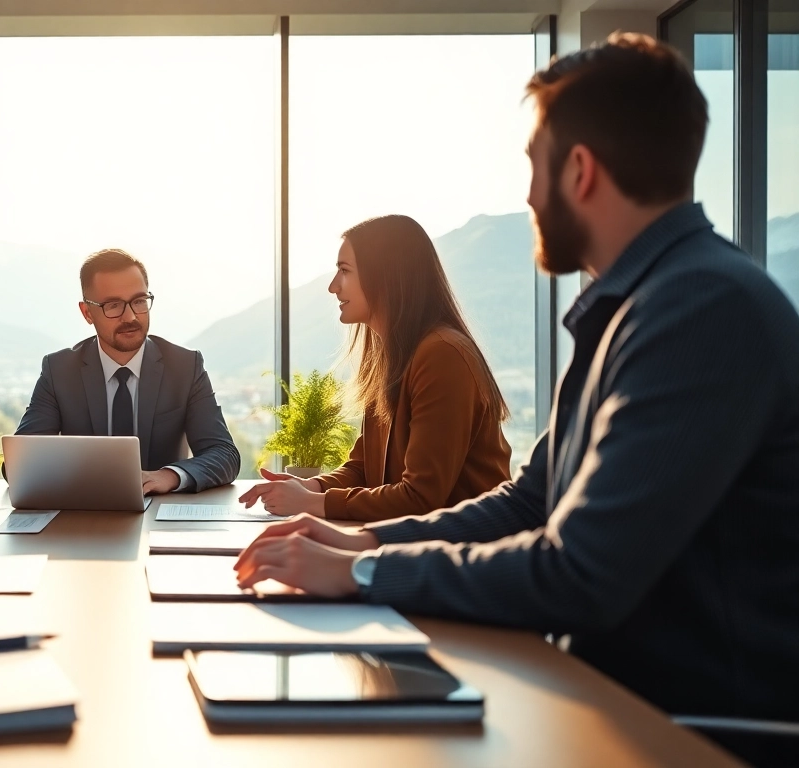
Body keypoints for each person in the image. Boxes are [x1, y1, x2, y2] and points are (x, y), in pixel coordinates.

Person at [234, 34, 799, 767]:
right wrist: (363, 542)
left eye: (533, 169)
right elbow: (530, 502)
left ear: (580, 171)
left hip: (686, 731)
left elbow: (580, 574)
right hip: (608, 698)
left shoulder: (701, 309)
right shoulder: (636, 308)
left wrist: (363, 573)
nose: (528, 197)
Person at [237, 215, 511, 521]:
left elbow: (420, 497)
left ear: (386, 276)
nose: (332, 286)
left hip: (465, 555)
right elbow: (364, 468)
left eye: (344, 271)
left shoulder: (443, 356)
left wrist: (313, 504)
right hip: (416, 547)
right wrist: (311, 487)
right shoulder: (390, 357)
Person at [15, 248, 240, 494]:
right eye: (113, 305)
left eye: (139, 301)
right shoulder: (59, 371)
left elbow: (224, 454)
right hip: (84, 514)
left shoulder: (185, 366)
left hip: (161, 515)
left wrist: (170, 476)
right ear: (87, 313)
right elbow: (19, 462)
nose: (131, 316)